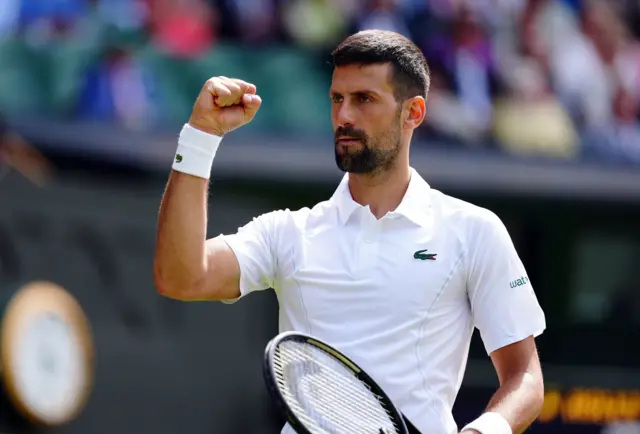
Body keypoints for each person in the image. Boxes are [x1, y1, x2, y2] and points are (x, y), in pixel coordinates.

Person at [153, 30, 546, 434]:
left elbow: (525, 378)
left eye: (364, 99)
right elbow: (180, 276)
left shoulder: (474, 231)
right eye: (337, 99)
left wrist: (485, 431)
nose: (344, 116)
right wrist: (200, 135)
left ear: (413, 112)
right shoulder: (287, 232)